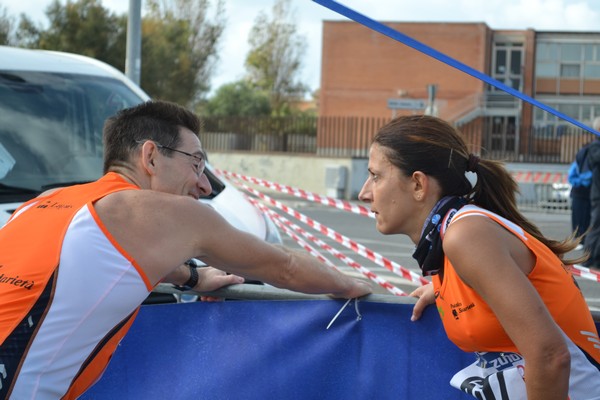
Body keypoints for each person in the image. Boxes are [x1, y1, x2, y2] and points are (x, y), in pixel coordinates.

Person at [0, 100, 372, 399]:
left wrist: (191, 276)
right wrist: (352, 285)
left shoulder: (46, 203)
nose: (204, 185)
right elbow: (285, 267)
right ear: (150, 156)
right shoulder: (163, 213)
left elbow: (93, 263)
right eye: (196, 163)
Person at [358, 115, 600, 400]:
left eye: (376, 176)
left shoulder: (466, 236)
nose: (364, 193)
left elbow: (550, 356)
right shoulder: (449, 241)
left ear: (418, 185)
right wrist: (443, 289)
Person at [568, 138, 593, 250]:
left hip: (580, 192)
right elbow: (575, 176)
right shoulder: (587, 156)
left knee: (579, 218)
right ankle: (580, 241)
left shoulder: (581, 156)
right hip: (582, 192)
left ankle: (580, 240)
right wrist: (583, 181)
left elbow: (572, 175)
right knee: (583, 218)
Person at [581, 116, 600, 270]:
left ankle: (597, 258)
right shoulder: (595, 146)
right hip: (598, 194)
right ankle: (588, 258)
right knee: (595, 227)